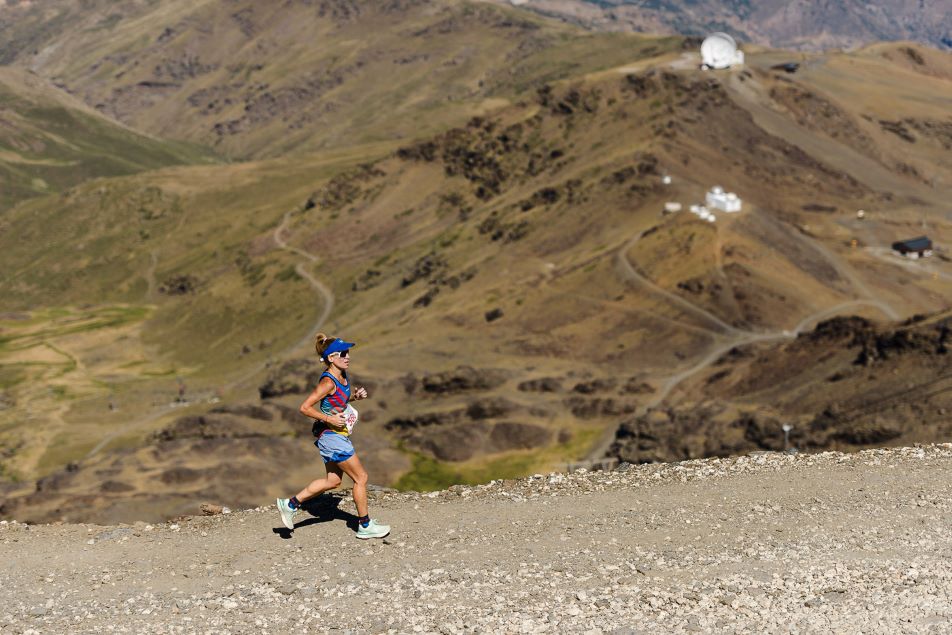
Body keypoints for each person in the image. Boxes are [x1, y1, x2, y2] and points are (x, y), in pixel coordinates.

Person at [276, 333, 390, 539]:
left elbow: (335, 402)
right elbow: (304, 407)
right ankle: (364, 525)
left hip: (334, 435)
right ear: (331, 357)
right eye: (343, 353)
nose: (348, 357)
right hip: (331, 436)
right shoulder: (328, 382)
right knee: (361, 478)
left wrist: (354, 397)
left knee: (333, 481)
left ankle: (290, 504)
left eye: (348, 352)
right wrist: (329, 419)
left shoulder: (342, 375)